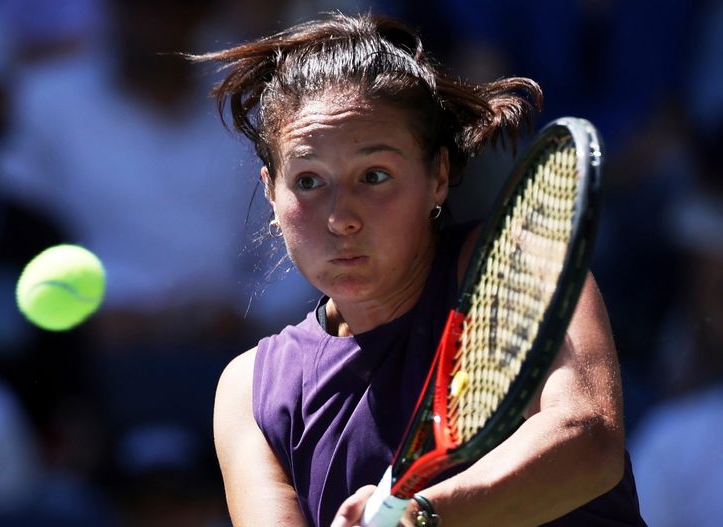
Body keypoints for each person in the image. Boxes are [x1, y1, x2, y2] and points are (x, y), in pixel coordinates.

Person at [195, 12, 645, 527]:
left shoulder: (517, 265)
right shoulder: (249, 392)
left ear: (438, 176)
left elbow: (588, 444)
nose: (341, 218)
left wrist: (422, 515)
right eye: (309, 181)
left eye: (375, 175)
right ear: (272, 194)